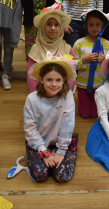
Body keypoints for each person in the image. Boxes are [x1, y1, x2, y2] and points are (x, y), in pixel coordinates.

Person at [25, 53, 77, 183]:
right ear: (41, 80)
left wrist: (61, 151)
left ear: (64, 80)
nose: (54, 84)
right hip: (38, 143)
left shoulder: (67, 96)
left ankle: (64, 151)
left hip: (63, 143)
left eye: (58, 80)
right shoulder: (32, 99)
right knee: (40, 175)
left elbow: (67, 124)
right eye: (49, 80)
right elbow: (30, 128)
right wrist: (43, 151)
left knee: (62, 176)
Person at [27, 0, 76, 92]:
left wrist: (65, 95)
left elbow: (71, 77)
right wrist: (38, 97)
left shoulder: (68, 50)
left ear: (61, 27)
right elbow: (31, 78)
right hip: (41, 96)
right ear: (43, 26)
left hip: (62, 96)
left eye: (57, 24)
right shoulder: (36, 49)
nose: (53, 28)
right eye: (49, 24)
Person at [74, 9, 109, 118]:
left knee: (94, 115)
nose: (94, 28)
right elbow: (73, 65)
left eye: (98, 24)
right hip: (83, 85)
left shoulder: (108, 45)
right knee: (84, 114)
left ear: (103, 25)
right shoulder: (79, 43)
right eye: (91, 24)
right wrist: (83, 59)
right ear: (86, 25)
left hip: (100, 86)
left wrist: (105, 61)